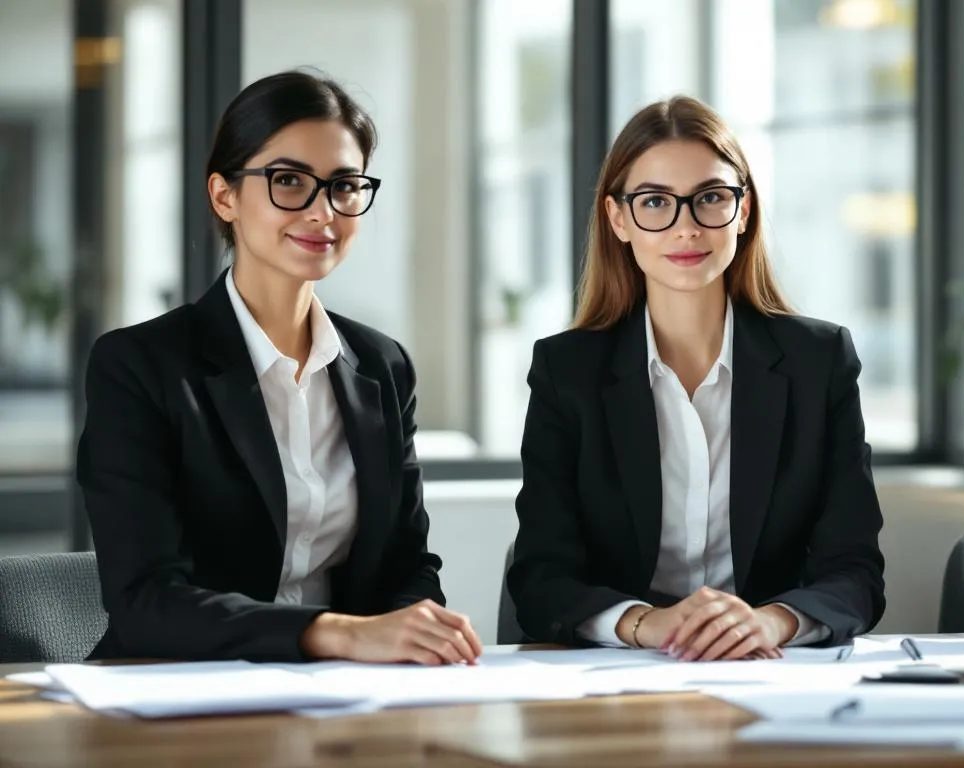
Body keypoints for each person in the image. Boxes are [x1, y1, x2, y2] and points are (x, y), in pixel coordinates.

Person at [78, 71, 482, 664]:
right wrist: (335, 633)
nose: (323, 212)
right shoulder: (140, 366)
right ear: (225, 196)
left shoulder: (381, 367)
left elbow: (408, 567)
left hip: (347, 700)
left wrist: (416, 632)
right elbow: (145, 600)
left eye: (343, 186)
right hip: (177, 699)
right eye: (289, 181)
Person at [507, 96, 885, 661]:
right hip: (618, 676)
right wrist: (648, 624)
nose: (686, 227)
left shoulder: (818, 360)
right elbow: (541, 579)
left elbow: (854, 572)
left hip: (771, 669)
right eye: (655, 202)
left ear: (744, 210)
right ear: (618, 219)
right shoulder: (568, 373)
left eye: (710, 198)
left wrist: (770, 623)